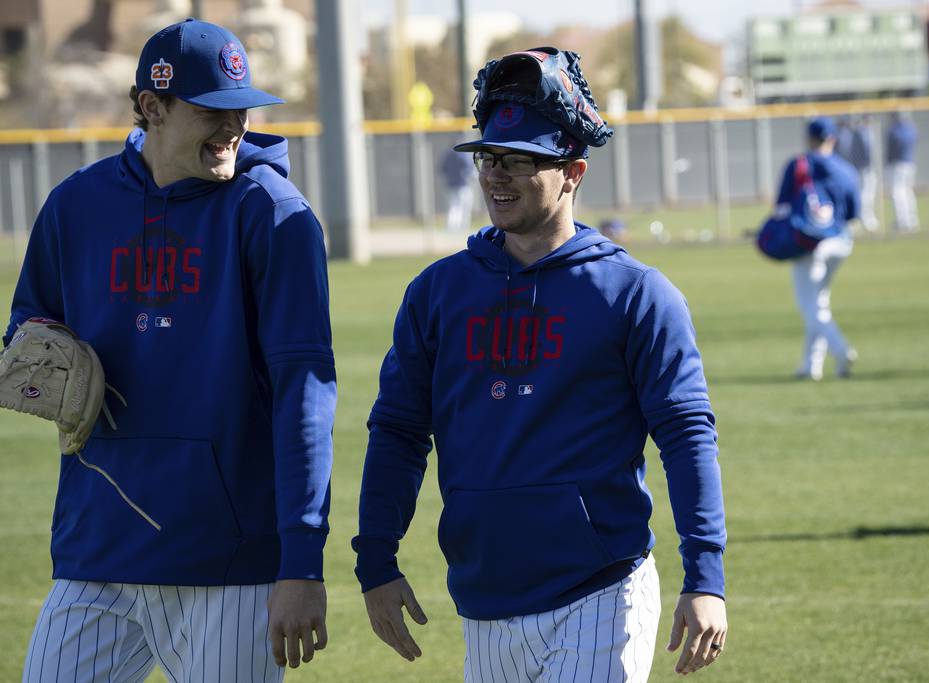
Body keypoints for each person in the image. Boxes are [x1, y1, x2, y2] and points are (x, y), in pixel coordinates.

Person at [352, 47, 727, 681]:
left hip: (601, 591)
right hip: (485, 600)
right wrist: (376, 563)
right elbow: (398, 434)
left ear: (573, 172)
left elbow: (687, 436)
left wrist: (706, 577)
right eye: (490, 159)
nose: (497, 176)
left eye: (521, 161)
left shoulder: (636, 293)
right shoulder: (438, 292)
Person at [6, 19, 336, 681]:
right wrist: (40, 358)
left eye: (241, 108)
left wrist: (300, 561)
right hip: (96, 544)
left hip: (227, 561)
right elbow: (27, 327)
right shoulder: (76, 205)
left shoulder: (271, 213)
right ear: (151, 107)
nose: (232, 126)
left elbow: (305, 391)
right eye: (212, 111)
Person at [777, 117, 861, 380]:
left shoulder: (799, 164)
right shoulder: (847, 170)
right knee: (819, 301)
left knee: (809, 306)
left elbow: (781, 208)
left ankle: (841, 348)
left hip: (810, 244)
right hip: (842, 242)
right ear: (833, 138)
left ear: (810, 138)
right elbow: (853, 215)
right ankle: (811, 366)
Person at [885, 111, 919, 233]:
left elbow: (892, 146)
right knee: (908, 192)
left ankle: (903, 222)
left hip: (897, 165)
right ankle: (912, 220)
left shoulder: (894, 130)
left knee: (898, 193)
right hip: (909, 163)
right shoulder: (912, 129)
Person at [441, 146, 477, 233]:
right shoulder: (462, 155)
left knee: (454, 207)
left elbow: (442, 169)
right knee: (463, 207)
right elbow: (470, 169)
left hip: (451, 185)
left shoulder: (448, 155)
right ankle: (461, 228)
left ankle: (452, 228)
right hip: (463, 186)